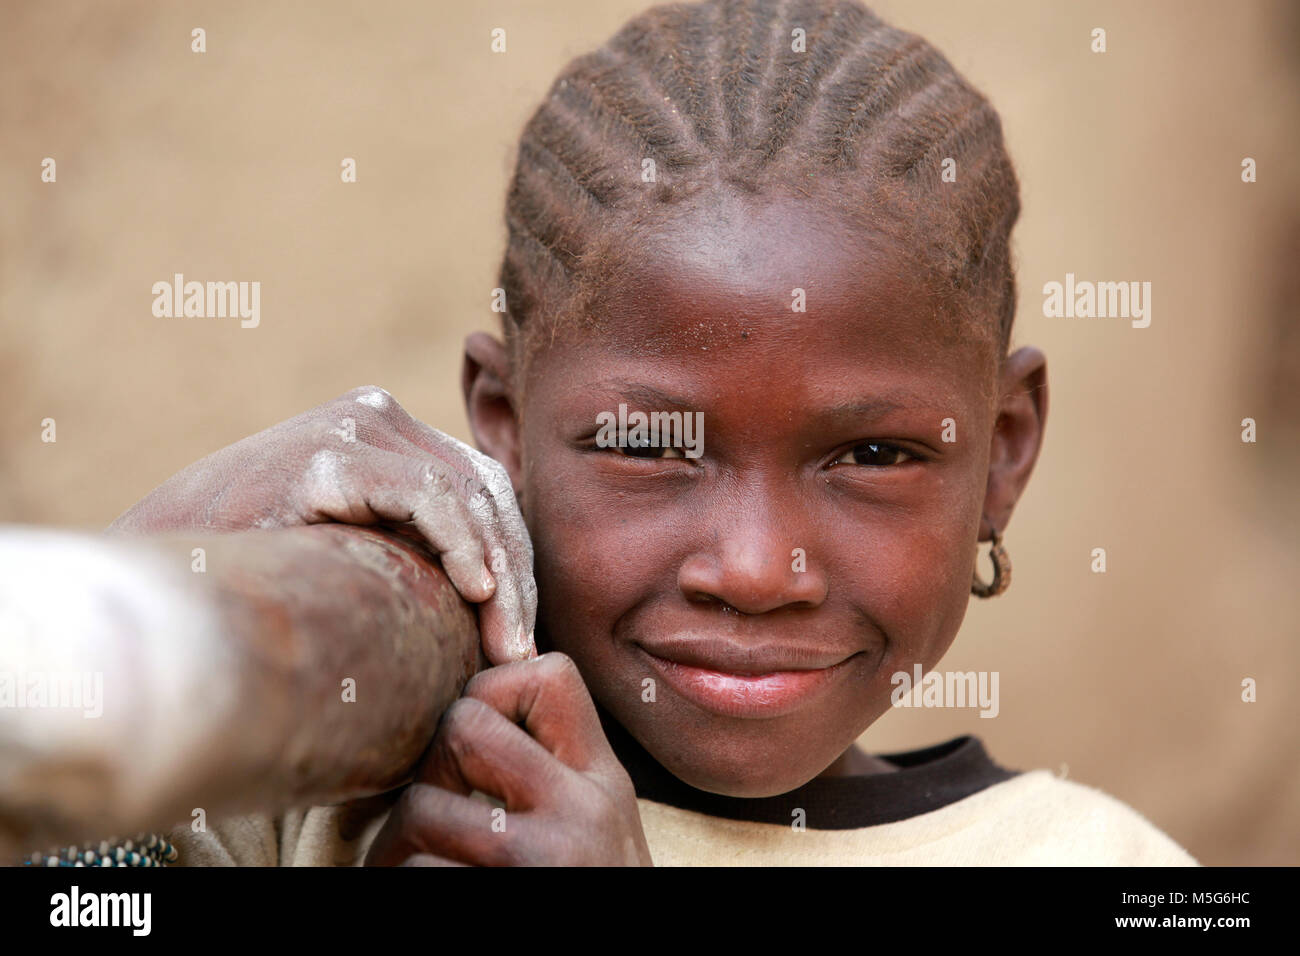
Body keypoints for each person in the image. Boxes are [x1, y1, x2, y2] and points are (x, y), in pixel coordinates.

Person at [112, 0, 1197, 865]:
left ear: (1004, 449)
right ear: (504, 424)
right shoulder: (310, 799)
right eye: (649, 443)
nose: (759, 569)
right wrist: (148, 556)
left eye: (872, 454)